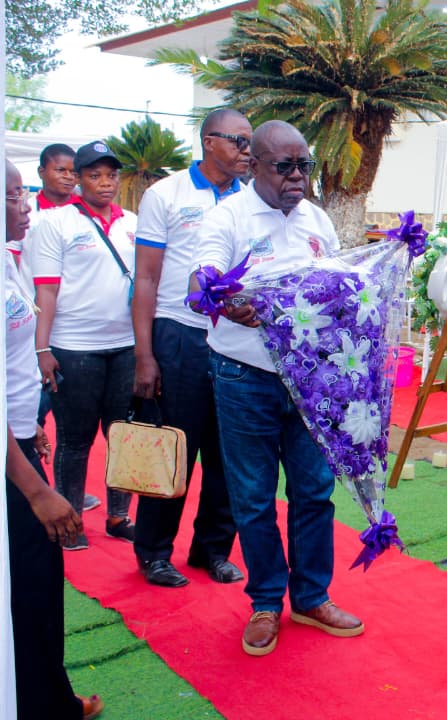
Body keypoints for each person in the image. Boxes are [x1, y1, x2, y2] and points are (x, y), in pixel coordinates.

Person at [192, 120, 364, 657]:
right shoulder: (228, 218)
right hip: (246, 379)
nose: (296, 176)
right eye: (284, 166)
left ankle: (311, 596)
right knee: (253, 497)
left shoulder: (317, 221)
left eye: (304, 165)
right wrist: (222, 300)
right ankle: (266, 601)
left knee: (313, 492)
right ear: (254, 166)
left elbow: (338, 286)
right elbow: (202, 281)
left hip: (312, 380)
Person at [130, 109, 251, 588]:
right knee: (174, 449)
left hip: (236, 341)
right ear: (208, 141)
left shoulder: (250, 200)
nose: (247, 151)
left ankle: (212, 550)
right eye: (239, 142)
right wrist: (144, 354)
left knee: (230, 453)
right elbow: (146, 277)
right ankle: (155, 552)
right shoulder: (167, 194)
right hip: (180, 335)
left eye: (249, 142)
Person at [5, 159, 103, 720]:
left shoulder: (9, 258)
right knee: (30, 588)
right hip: (11, 469)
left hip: (19, 443)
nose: (26, 203)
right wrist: (38, 490)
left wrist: (30, 430)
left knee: (37, 587)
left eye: (23, 193)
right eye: (14, 195)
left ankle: (45, 697)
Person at [27, 140, 137, 550]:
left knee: (122, 436)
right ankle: (69, 520)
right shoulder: (55, 224)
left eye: (111, 176)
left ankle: (119, 515)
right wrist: (42, 349)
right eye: (94, 176)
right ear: (79, 180)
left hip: (125, 347)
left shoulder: (133, 223)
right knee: (75, 440)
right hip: (73, 347)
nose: (104, 183)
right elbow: (46, 292)